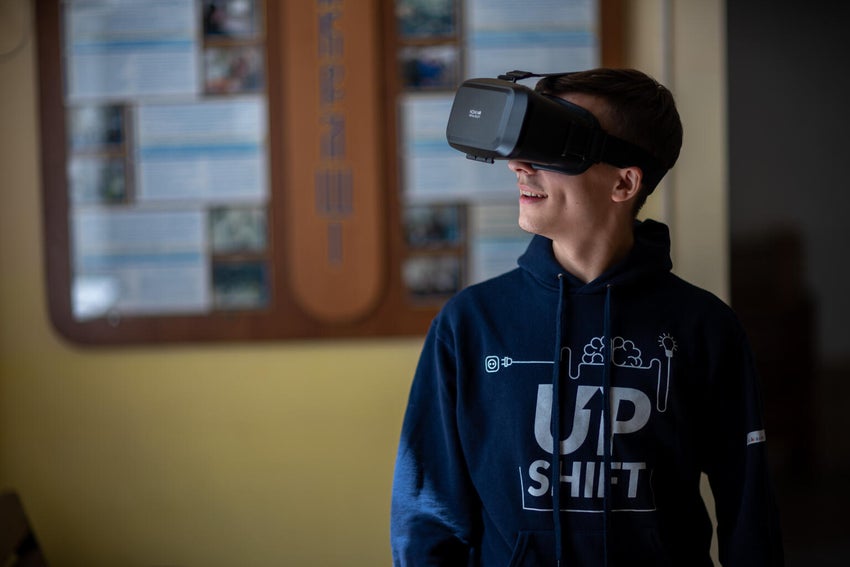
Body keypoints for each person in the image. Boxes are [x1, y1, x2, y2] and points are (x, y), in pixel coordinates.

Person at [390, 68, 784, 566]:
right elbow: (427, 515)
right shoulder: (470, 324)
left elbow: (749, 512)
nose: (518, 165)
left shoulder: (703, 328)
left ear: (624, 182)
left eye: (553, 144)